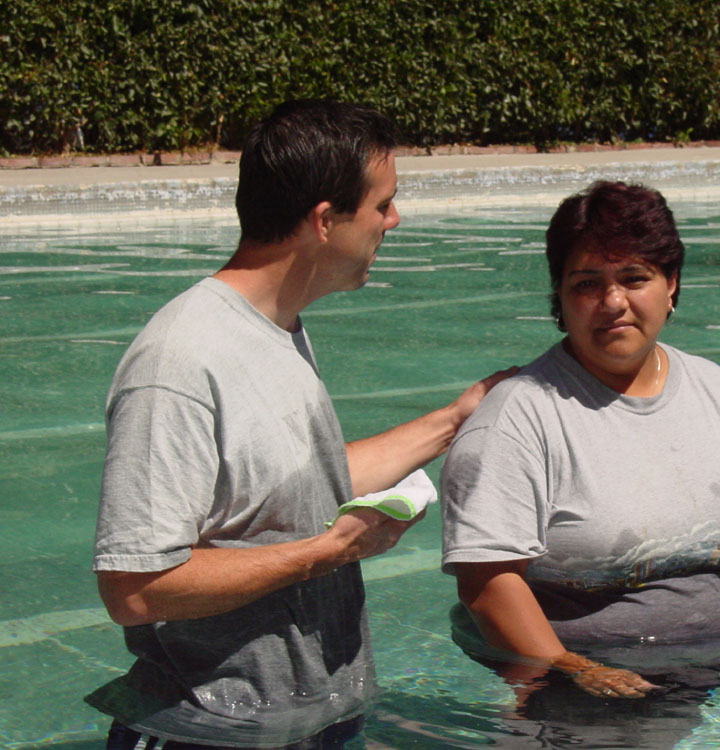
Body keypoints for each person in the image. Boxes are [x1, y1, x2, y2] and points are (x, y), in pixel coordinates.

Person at [86, 99, 512, 749]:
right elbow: (136, 587)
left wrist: (453, 420)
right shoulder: (177, 363)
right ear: (323, 221)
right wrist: (327, 553)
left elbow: (294, 484)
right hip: (211, 733)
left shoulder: (276, 331)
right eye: (381, 205)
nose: (393, 221)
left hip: (300, 723)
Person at [440, 180, 720, 704]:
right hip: (596, 685)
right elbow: (486, 582)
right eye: (587, 283)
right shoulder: (519, 418)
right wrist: (571, 669)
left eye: (635, 278)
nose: (613, 302)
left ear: (671, 284)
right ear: (560, 296)